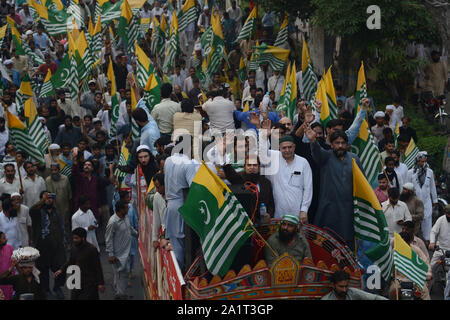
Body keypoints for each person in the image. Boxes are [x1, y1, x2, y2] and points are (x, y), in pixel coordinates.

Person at [306, 128, 363, 249]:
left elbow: (362, 184)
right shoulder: (326, 157)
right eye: (337, 143)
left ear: (347, 145)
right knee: (327, 243)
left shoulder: (355, 159)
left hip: (349, 209)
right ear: (331, 145)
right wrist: (313, 141)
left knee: (348, 243)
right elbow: (317, 152)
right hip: (329, 209)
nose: (340, 146)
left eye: (343, 143)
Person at [29, 191, 66, 299]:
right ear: (41, 200)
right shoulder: (37, 212)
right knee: (43, 272)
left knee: (60, 268)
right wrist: (42, 200)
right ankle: (46, 290)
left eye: (50, 197)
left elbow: (61, 227)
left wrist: (64, 241)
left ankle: (57, 287)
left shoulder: (56, 211)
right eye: (46, 197)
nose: (49, 199)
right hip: (42, 248)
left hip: (57, 247)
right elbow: (31, 210)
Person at [55, 228, 104, 300]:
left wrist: (100, 283)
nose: (74, 240)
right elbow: (71, 261)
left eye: (76, 238)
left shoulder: (92, 249)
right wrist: (61, 270)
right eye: (73, 238)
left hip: (89, 283)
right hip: (77, 281)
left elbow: (97, 267)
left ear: (83, 238)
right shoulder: (74, 248)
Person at [223, 154, 275, 222]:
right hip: (243, 222)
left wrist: (269, 214)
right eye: (249, 165)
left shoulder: (266, 182)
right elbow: (231, 175)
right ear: (244, 167)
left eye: (255, 165)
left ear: (259, 167)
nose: (252, 167)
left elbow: (271, 203)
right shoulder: (239, 179)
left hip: (262, 223)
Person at [106, 200, 138, 300]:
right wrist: (111, 254)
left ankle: (120, 292)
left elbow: (130, 229)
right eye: (126, 208)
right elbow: (108, 238)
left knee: (124, 273)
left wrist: (137, 234)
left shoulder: (126, 217)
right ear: (120, 210)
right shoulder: (113, 222)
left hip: (126, 252)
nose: (128, 209)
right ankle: (120, 295)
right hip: (118, 254)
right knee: (120, 275)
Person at [388, 231, 431, 300]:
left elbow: (425, 264)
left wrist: (428, 275)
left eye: (405, 243)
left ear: (409, 242)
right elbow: (389, 267)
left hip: (415, 279)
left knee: (424, 292)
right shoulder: (394, 252)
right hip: (399, 280)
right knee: (392, 291)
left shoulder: (416, 250)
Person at [407, 154, 438, 245]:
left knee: (427, 221)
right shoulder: (410, 172)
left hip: (427, 201)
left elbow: (432, 187)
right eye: (421, 161)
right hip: (414, 202)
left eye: (425, 161)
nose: (423, 163)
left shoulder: (430, 172)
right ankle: (412, 240)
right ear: (417, 161)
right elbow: (407, 186)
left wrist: (435, 200)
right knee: (414, 221)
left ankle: (427, 241)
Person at [45, 163, 72, 240]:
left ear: (59, 170)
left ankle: (67, 242)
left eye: (55, 170)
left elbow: (69, 195)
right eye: (52, 170)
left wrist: (69, 208)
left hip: (65, 208)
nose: (53, 172)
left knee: (66, 226)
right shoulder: (48, 180)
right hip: (53, 209)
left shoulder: (65, 179)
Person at [322, 270, 387, 300]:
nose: (344, 290)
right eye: (341, 287)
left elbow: (375, 298)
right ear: (333, 285)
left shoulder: (352, 292)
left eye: (346, 286)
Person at [0, 231, 14, 300]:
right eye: (4, 238)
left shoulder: (9, 248)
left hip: (9, 282)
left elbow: (16, 263)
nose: (6, 239)